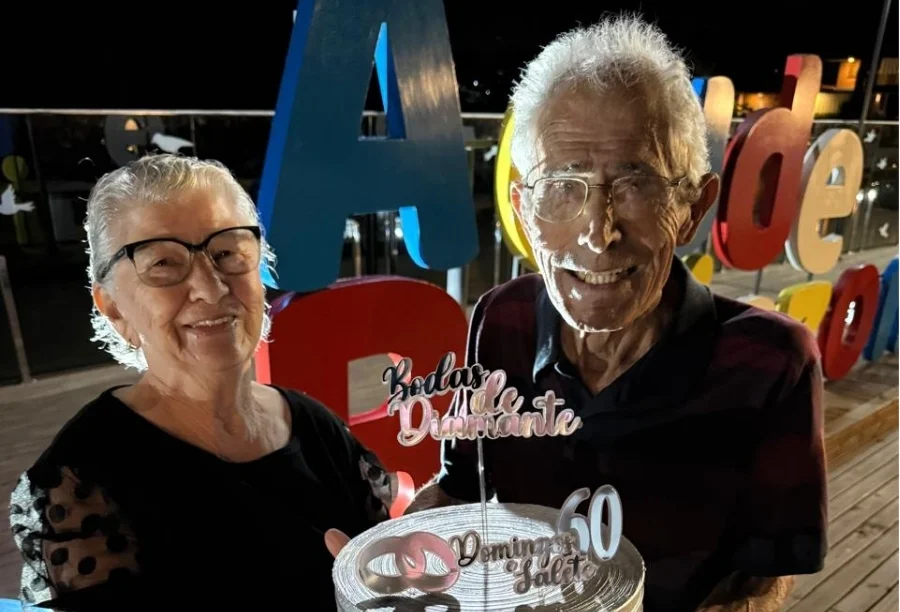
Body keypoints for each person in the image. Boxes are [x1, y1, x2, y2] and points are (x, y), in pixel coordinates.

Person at [406, 15, 827, 612]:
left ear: (693, 208)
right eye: (563, 184)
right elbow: (457, 488)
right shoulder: (501, 319)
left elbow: (763, 579)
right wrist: (391, 563)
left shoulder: (772, 362)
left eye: (636, 185)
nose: (597, 234)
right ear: (523, 210)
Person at [8, 154, 395, 611]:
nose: (211, 288)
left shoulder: (315, 426)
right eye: (163, 263)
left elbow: (389, 574)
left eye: (228, 253)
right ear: (113, 307)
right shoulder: (81, 479)